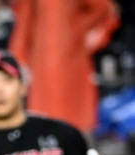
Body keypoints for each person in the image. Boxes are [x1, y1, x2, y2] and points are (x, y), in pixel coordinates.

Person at [10, 0, 119, 133]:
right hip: (41, 65)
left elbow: (104, 10)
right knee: (43, 126)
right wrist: (19, 58)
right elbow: (23, 21)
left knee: (73, 127)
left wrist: (81, 29)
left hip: (70, 65)